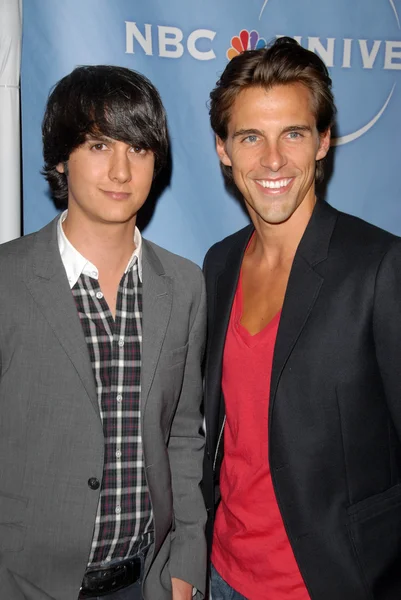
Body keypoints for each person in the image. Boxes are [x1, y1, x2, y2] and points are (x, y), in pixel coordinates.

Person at [202, 36, 401, 600]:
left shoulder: (381, 266)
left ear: (323, 142)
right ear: (223, 149)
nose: (271, 160)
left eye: (293, 133)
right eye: (250, 137)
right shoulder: (219, 263)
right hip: (222, 574)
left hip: (332, 582)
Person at [0, 65, 206, 600]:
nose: (120, 170)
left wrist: (185, 564)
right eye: (98, 145)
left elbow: (183, 436)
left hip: (147, 582)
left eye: (137, 148)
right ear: (61, 159)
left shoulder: (184, 284)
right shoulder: (6, 279)